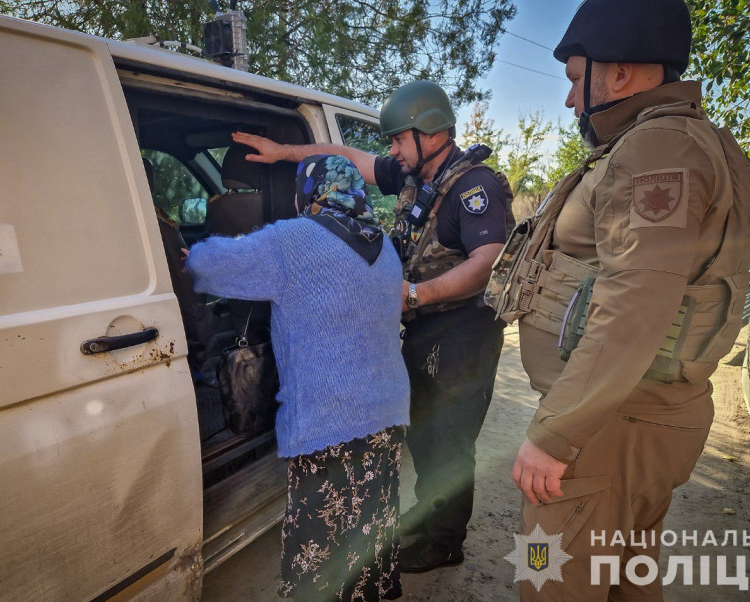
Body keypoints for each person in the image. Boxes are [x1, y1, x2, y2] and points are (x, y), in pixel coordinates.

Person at [484, 0, 750, 599]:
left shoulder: (657, 150)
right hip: (629, 416)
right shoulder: (673, 140)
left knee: (546, 575)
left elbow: (637, 300)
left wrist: (554, 436)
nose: (568, 101)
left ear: (618, 74)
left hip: (607, 427)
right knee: (624, 576)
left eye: (572, 81)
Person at [233, 79, 514, 573]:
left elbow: (485, 262)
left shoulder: (474, 187)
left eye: (397, 140)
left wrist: (414, 294)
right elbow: (341, 153)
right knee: (424, 432)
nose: (390, 151)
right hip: (426, 329)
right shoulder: (413, 173)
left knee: (449, 440)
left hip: (464, 333)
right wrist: (284, 152)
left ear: (428, 133)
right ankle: (429, 516)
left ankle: (445, 542)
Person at [185, 154, 411, 601]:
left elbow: (208, 267)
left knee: (319, 556)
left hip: (328, 424)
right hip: (386, 414)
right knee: (368, 532)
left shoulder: (293, 242)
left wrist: (187, 250)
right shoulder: (383, 244)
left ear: (307, 195)